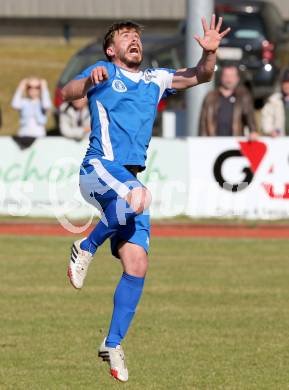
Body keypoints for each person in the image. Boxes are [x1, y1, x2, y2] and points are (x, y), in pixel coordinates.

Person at [62, 18, 230, 383]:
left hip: (127, 181)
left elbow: (201, 74)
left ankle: (112, 342)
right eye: (126, 37)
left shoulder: (155, 79)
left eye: (137, 36)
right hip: (98, 168)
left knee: (137, 262)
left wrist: (210, 52)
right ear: (111, 49)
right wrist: (87, 81)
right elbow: (67, 92)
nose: (134, 40)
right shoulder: (103, 70)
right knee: (140, 195)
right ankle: (86, 247)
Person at [199, 64, 257, 137]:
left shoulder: (244, 96)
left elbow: (250, 117)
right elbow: (203, 122)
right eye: (226, 76)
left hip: (235, 141)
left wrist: (253, 131)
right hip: (213, 141)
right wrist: (202, 140)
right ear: (221, 77)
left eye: (232, 76)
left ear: (237, 78)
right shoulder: (210, 97)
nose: (229, 79)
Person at [261, 69, 289, 136]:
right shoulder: (274, 101)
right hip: (280, 141)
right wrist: (270, 131)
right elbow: (266, 119)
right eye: (285, 83)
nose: (287, 86)